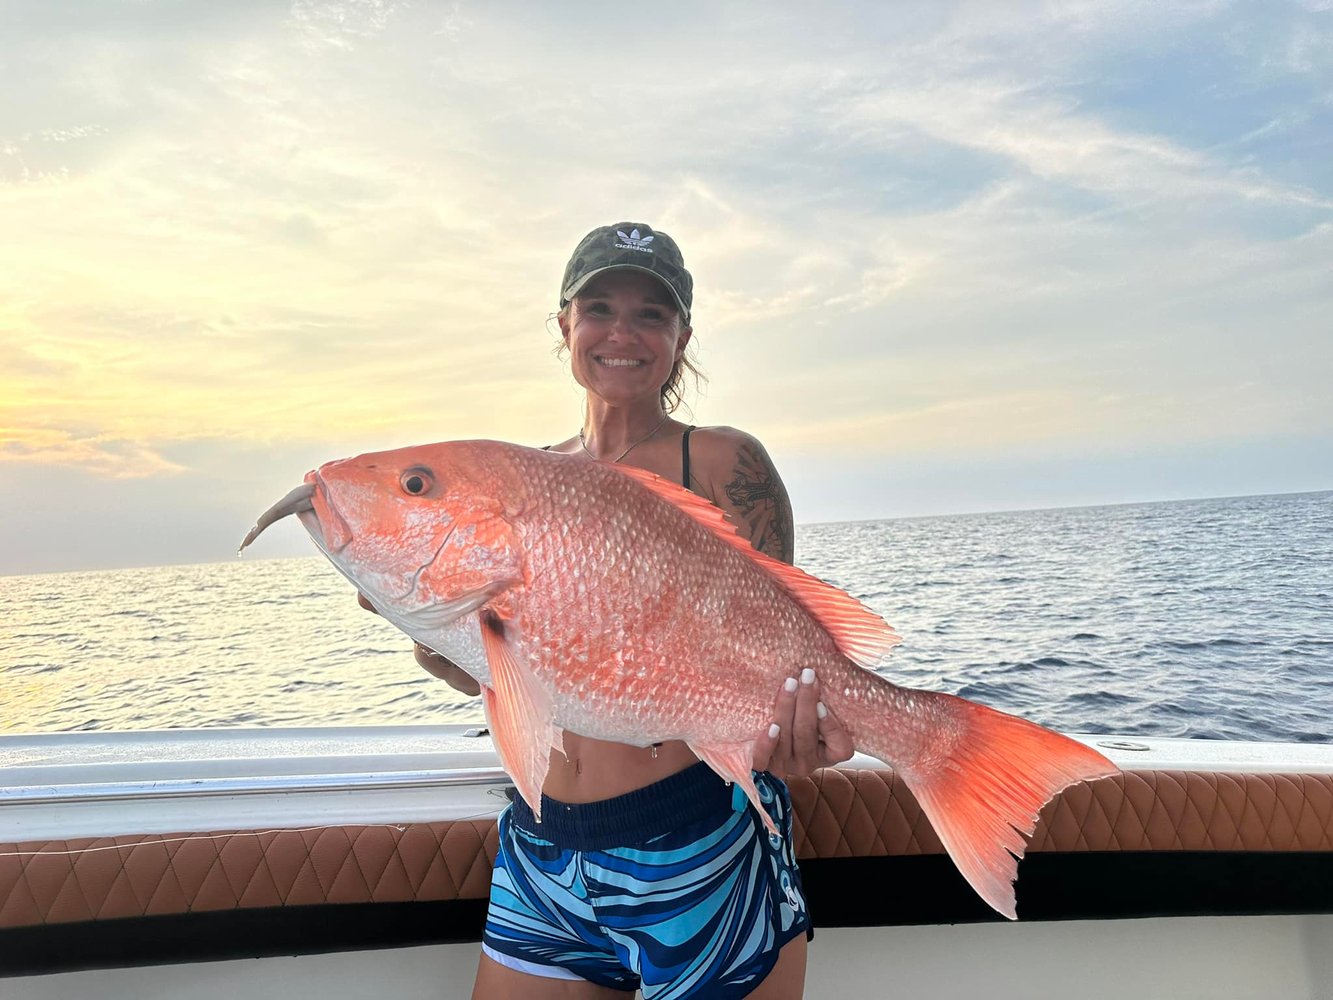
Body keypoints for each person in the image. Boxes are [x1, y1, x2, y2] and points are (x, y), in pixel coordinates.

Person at [369, 222, 853, 999]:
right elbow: (520, 674)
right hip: (544, 848)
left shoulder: (727, 462)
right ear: (564, 324)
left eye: (650, 315)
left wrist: (797, 731)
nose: (621, 333)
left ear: (681, 336)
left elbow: (777, 649)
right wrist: (447, 648)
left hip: (697, 836)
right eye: (599, 307)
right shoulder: (529, 483)